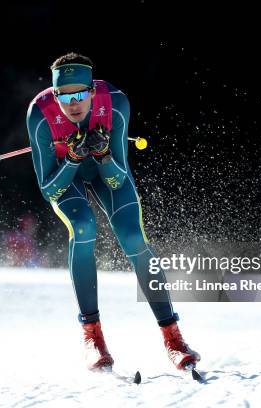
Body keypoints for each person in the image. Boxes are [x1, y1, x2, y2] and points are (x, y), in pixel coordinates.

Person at [26, 53, 200, 371]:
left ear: (92, 91)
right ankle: (93, 337)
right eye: (64, 96)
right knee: (83, 228)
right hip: (69, 180)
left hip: (108, 173)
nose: (73, 103)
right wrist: (74, 160)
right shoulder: (40, 114)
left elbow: (118, 177)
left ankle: (173, 338)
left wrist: (103, 154)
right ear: (54, 94)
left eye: (80, 94)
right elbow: (50, 189)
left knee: (133, 238)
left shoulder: (115, 103)